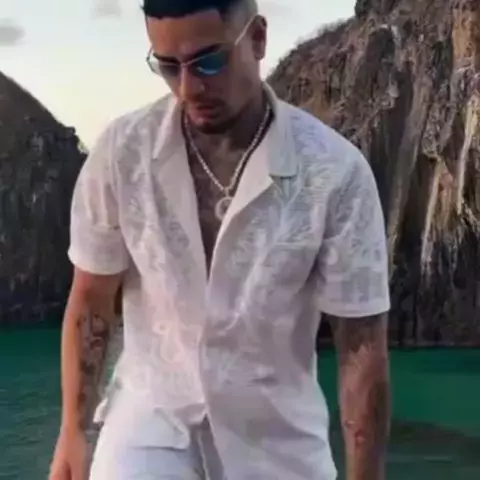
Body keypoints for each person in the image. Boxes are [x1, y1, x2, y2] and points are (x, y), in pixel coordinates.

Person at [49, 0, 391, 479]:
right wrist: (73, 430)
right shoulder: (120, 154)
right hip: (149, 427)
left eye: (208, 61)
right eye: (169, 66)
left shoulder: (336, 173)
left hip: (278, 441)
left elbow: (360, 347)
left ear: (258, 39)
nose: (189, 87)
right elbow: (91, 299)